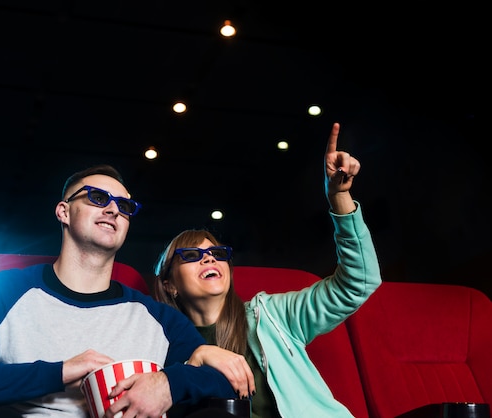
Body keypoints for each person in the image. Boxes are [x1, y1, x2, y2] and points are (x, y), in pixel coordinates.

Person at [0, 164, 240, 418]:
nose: (114, 210)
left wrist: (169, 384)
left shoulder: (158, 317)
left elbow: (231, 385)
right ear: (64, 211)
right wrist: (60, 372)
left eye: (124, 206)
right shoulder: (2, 290)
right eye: (98, 198)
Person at [152, 122, 383, 418]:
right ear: (169, 283)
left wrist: (338, 197)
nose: (210, 259)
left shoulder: (272, 316)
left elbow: (357, 283)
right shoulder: (162, 345)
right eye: (193, 255)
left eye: (217, 253)